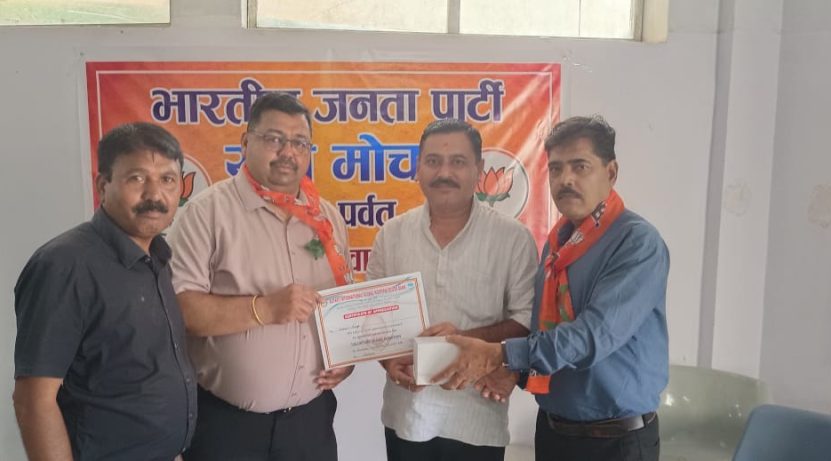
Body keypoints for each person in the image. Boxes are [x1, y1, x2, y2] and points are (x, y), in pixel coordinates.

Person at [432, 115, 670, 461]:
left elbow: (591, 336)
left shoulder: (637, 243)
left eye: (580, 167)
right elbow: (545, 330)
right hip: (553, 433)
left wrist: (500, 355)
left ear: (611, 172)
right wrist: (513, 372)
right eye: (556, 169)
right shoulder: (558, 244)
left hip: (615, 442)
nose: (565, 179)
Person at [168, 92, 354, 461]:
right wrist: (265, 308)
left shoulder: (327, 217)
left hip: (310, 422)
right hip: (227, 426)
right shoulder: (206, 213)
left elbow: (341, 302)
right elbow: (181, 310)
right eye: (274, 139)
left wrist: (346, 356)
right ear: (245, 142)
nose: (288, 152)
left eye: (300, 142)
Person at [13, 122, 196, 460]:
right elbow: (33, 400)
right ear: (103, 185)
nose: (155, 195)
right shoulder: (66, 265)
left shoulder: (157, 258)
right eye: (137, 178)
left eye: (168, 180)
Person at [367, 119, 537, 461]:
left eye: (458, 162)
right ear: (418, 168)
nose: (444, 172)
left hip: (477, 418)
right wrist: (388, 361)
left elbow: (525, 322)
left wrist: (459, 340)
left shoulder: (512, 238)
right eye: (433, 161)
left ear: (479, 169)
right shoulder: (392, 234)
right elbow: (373, 318)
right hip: (407, 415)